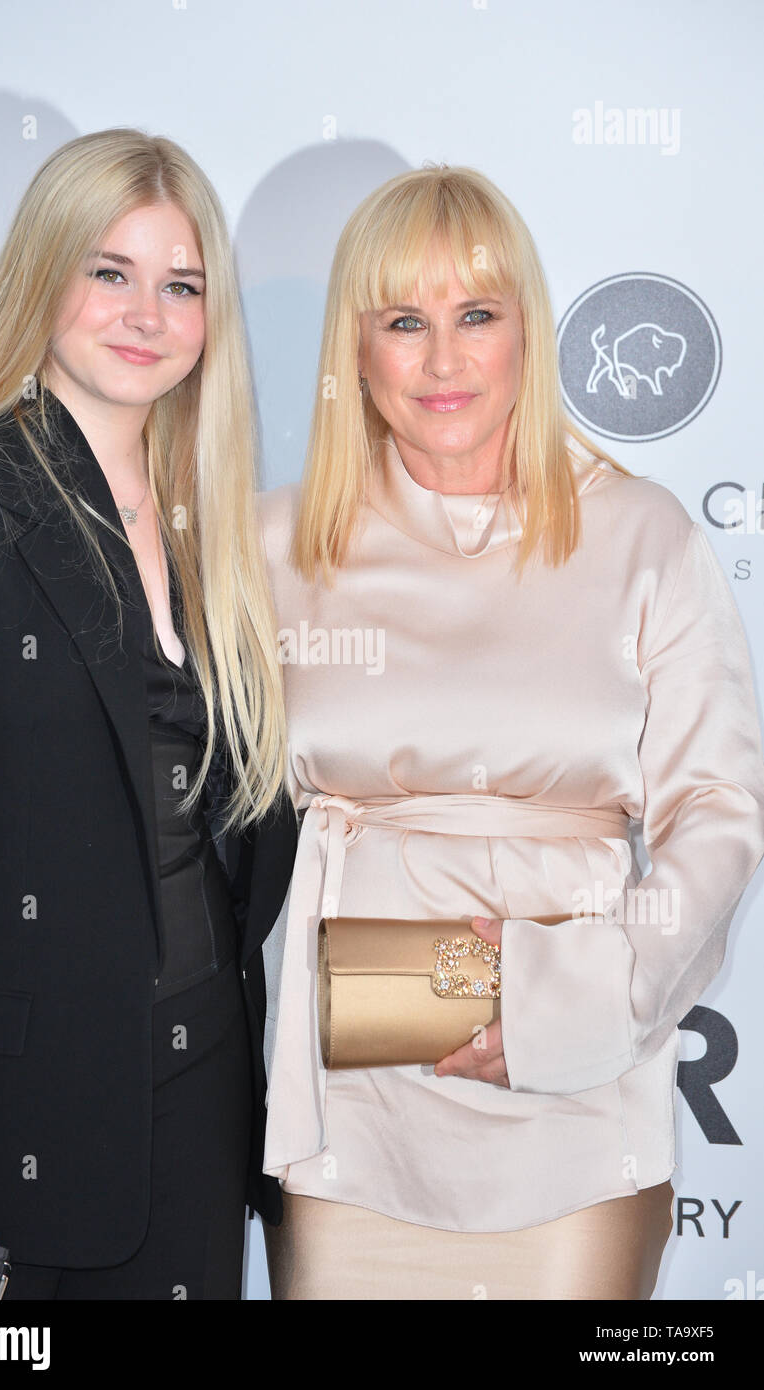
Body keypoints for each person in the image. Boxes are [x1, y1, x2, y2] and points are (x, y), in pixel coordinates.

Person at [257, 164, 764, 1299]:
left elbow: (718, 816)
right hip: (353, 1120)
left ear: (528, 331)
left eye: (476, 315)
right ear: (356, 350)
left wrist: (577, 1000)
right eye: (405, 321)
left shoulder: (642, 537)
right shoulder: (273, 545)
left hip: (580, 1105)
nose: (443, 361)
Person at [0, 127, 296, 1300]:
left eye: (180, 285)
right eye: (108, 272)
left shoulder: (216, 540)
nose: (146, 313)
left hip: (198, 1107)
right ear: (41, 277)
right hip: (8, 1125)